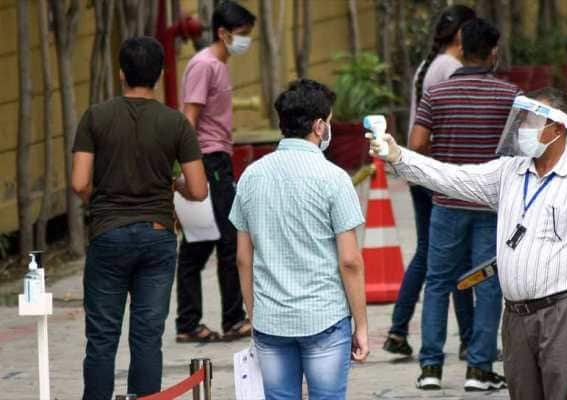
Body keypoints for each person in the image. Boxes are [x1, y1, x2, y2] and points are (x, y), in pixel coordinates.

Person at [367, 87, 567, 400]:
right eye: (521, 120)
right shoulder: (509, 172)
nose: (522, 128)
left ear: (558, 128)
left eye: (531, 121)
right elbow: (452, 177)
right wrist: (399, 157)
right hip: (516, 317)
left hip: (563, 315)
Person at [72, 37, 207, 400]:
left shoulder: (95, 117)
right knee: (147, 335)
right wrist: (173, 183)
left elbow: (79, 182)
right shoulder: (176, 123)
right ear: (161, 75)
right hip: (157, 236)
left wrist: (102, 198)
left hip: (108, 233)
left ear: (121, 74)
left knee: (101, 336)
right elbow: (199, 189)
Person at [230, 79, 369, 399]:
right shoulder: (334, 179)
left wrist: (256, 315)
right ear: (320, 126)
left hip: (271, 322)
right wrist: (361, 325)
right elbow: (349, 261)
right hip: (325, 318)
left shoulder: (251, 175)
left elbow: (242, 258)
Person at [408, 18, 516, 391]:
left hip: (447, 201)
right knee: (488, 285)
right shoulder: (509, 95)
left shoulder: (436, 95)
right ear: (491, 53)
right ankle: (479, 369)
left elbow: (416, 142)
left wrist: (444, 161)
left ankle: (430, 368)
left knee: (438, 282)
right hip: (490, 206)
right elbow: (521, 149)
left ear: (461, 48)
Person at [384, 4, 476, 361]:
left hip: (421, 169)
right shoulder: (450, 68)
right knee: (455, 256)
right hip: (437, 172)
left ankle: (398, 328)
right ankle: (468, 338)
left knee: (429, 252)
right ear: (461, 35)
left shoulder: (428, 64)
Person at [175, 0, 256, 343]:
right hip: (207, 161)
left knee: (201, 243)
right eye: (241, 35)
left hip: (218, 158)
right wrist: (189, 170)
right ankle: (231, 319)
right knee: (225, 241)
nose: (245, 41)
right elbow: (188, 119)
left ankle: (189, 322)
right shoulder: (204, 65)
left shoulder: (219, 64)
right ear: (222, 33)